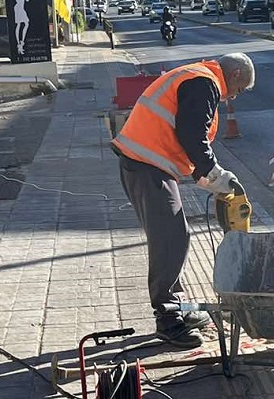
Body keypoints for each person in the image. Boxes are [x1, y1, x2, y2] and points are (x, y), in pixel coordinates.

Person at [111, 53, 255, 348]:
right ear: (236, 73)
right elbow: (192, 135)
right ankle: (167, 319)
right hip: (146, 165)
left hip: (145, 163)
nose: (234, 98)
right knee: (172, 238)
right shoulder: (205, 82)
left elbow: (184, 133)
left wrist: (207, 177)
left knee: (173, 236)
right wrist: (214, 175)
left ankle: (174, 307)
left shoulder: (196, 75)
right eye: (239, 89)